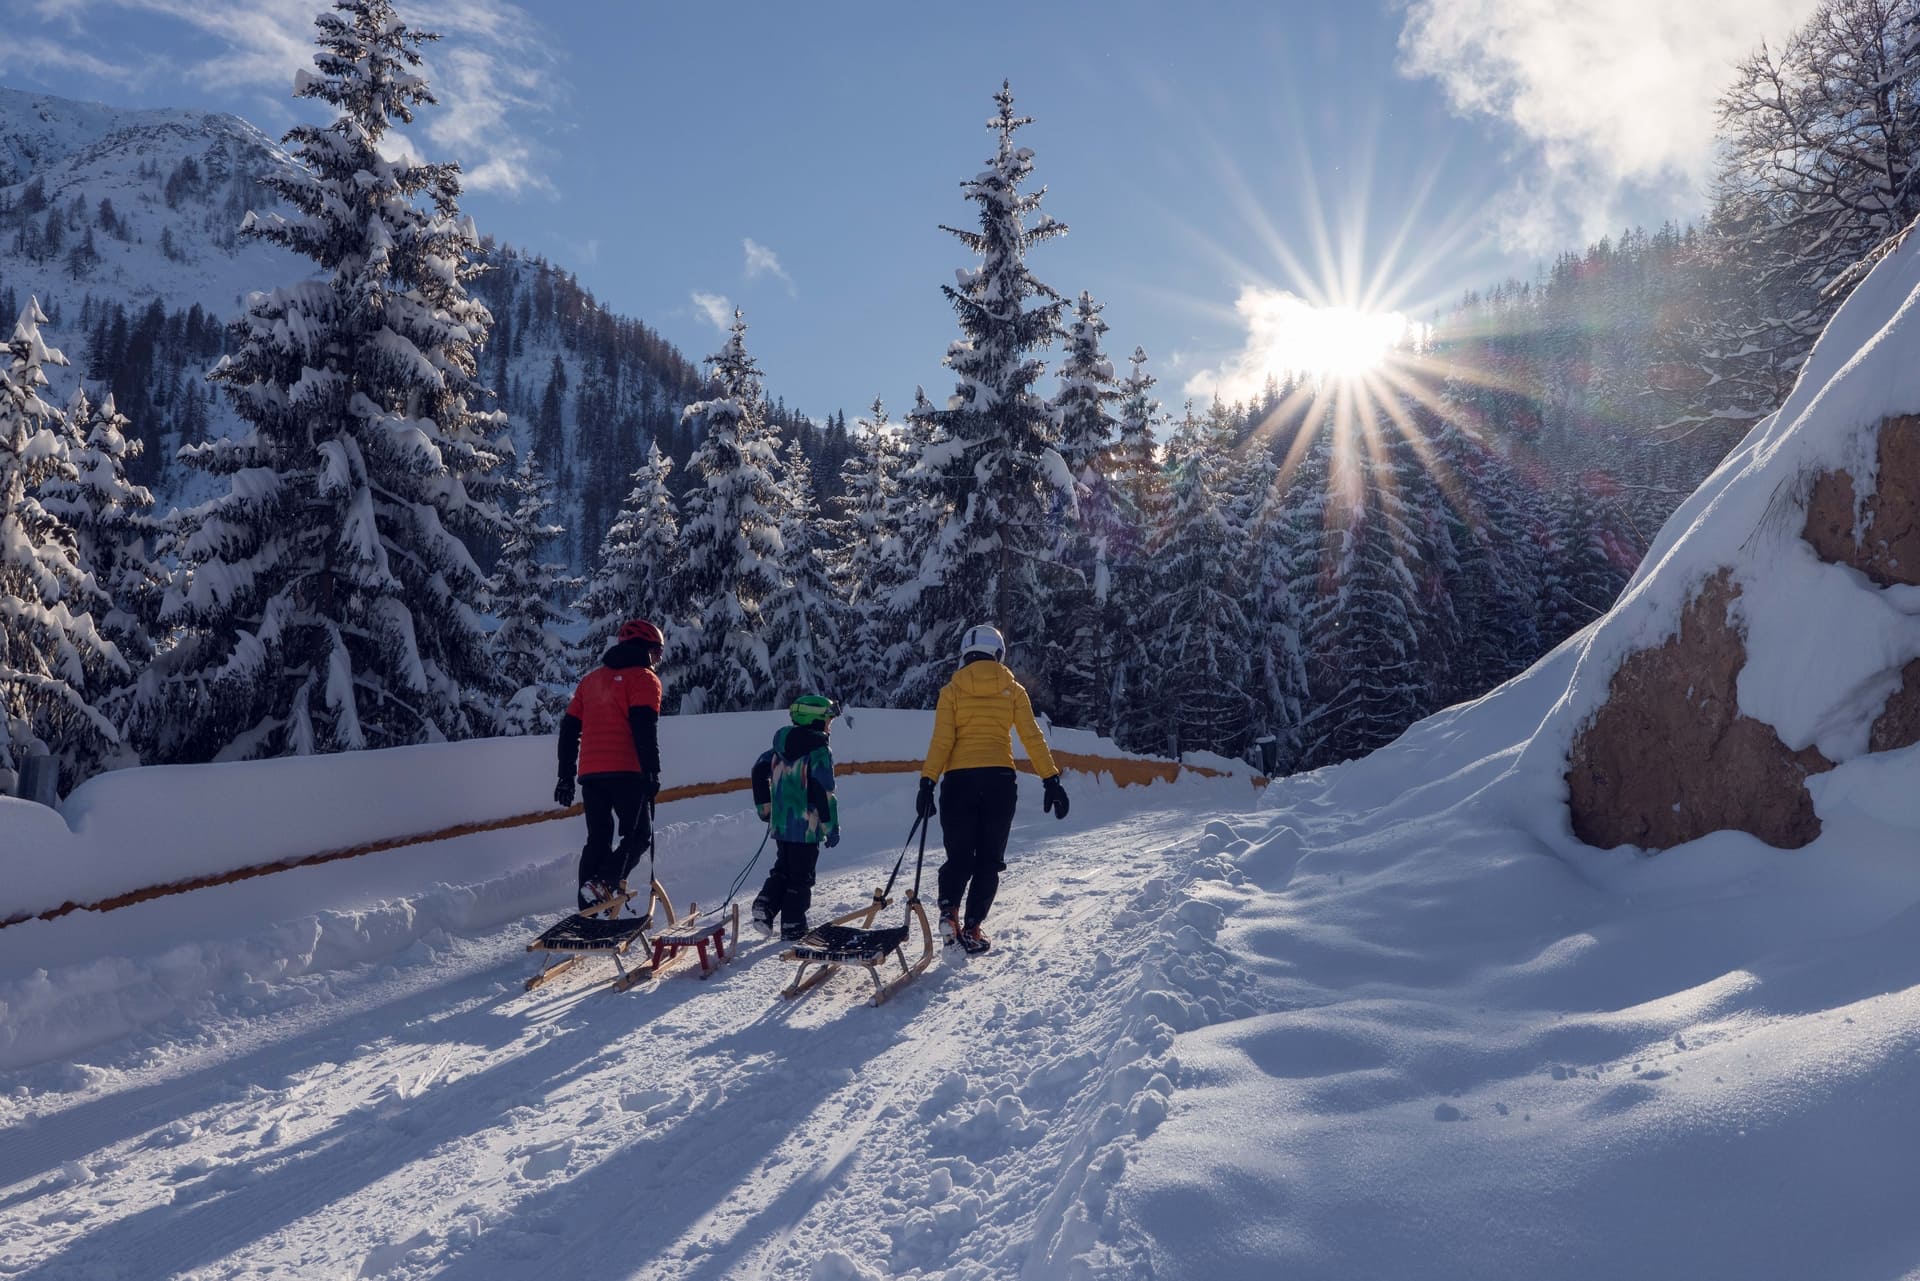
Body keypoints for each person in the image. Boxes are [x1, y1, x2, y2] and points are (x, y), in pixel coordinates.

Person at [916, 624, 1069, 954]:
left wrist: (927, 782)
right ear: (998, 653)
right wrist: (1051, 779)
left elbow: (942, 741)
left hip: (958, 783)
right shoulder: (1013, 690)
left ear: (965, 655)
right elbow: (1032, 738)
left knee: (959, 856)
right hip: (999, 782)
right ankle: (972, 929)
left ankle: (949, 912)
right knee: (988, 859)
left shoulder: (951, 691)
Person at [555, 618, 664, 910]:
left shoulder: (590, 681)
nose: (658, 659)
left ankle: (587, 907)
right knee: (639, 835)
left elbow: (568, 731)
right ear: (645, 648)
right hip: (627, 772)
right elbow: (644, 728)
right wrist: (652, 771)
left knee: (598, 840)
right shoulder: (644, 679)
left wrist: (565, 776)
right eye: (657, 651)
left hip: (590, 775)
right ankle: (602, 884)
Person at [751, 694, 842, 941]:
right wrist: (831, 826)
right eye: (828, 721)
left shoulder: (778, 747)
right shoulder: (820, 751)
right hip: (807, 826)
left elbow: (758, 770)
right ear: (815, 721)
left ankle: (765, 905)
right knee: (801, 876)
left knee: (783, 868)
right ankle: (793, 925)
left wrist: (765, 808)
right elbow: (822, 791)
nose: (829, 726)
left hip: (782, 822)